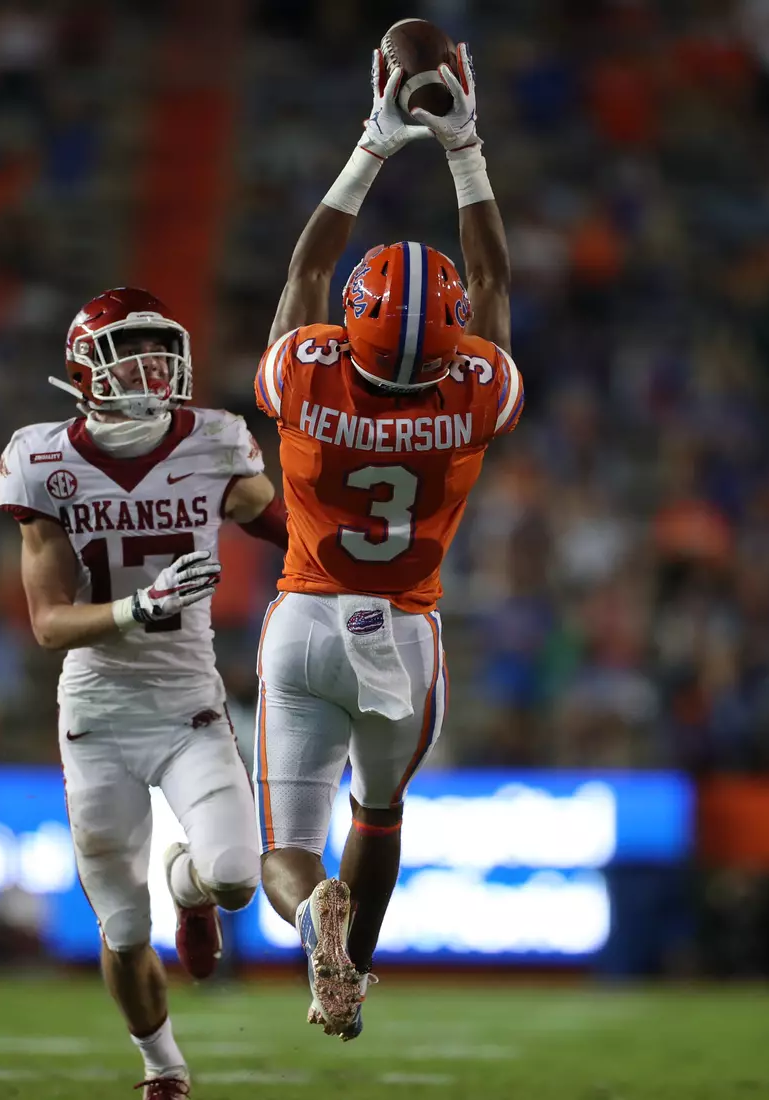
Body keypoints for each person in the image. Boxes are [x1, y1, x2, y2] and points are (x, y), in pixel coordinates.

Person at [251, 43, 521, 1039]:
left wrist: (374, 142)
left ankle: (311, 911)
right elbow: (490, 273)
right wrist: (464, 145)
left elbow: (310, 265)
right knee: (380, 814)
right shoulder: (476, 393)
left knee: (291, 843)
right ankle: (351, 972)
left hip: (304, 619)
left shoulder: (308, 374)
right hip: (405, 633)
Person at [0, 287, 287, 1099]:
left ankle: (187, 888)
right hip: (96, 717)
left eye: (161, 352)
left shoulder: (216, 442)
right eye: (131, 355)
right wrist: (138, 607)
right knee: (124, 928)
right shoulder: (42, 460)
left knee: (233, 876)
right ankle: (163, 1069)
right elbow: (50, 623)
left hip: (190, 704)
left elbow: (293, 535)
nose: (153, 370)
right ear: (85, 370)